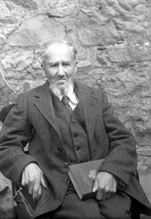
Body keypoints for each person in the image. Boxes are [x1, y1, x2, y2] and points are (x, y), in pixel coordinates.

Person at [0, 40, 151, 219]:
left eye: (66, 64)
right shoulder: (29, 101)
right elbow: (7, 145)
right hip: (60, 192)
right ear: (43, 68)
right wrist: (25, 165)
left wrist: (111, 171)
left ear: (75, 66)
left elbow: (124, 140)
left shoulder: (96, 97)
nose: (61, 72)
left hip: (103, 182)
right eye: (54, 65)